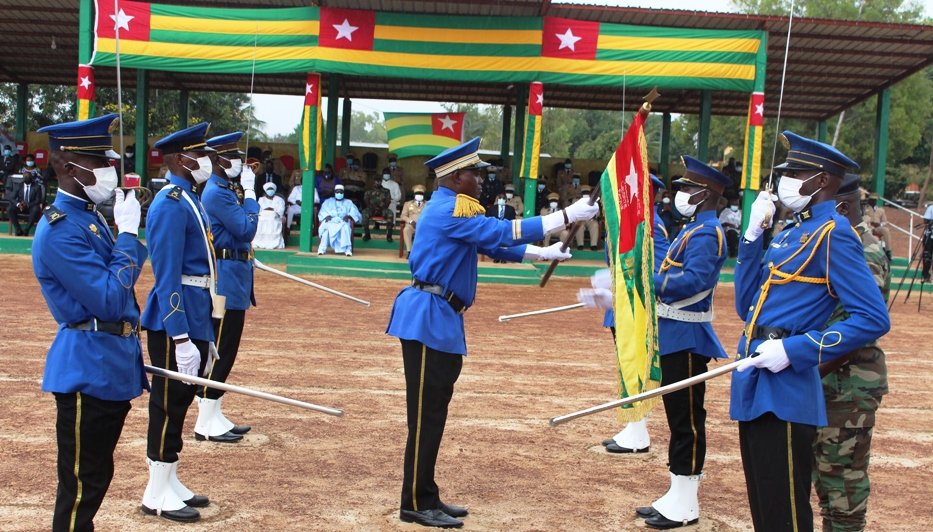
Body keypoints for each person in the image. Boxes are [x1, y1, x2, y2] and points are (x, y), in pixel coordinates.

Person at [386, 137, 598, 528]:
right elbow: (501, 231)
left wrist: (542, 253)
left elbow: (492, 243)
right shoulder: (447, 210)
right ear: (454, 178)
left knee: (433, 412)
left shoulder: (452, 208)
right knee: (426, 415)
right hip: (428, 316)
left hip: (439, 316)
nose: (481, 180)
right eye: (474, 174)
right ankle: (414, 501)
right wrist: (565, 216)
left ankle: (425, 494)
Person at [732, 131, 890, 532]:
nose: (785, 180)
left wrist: (797, 350)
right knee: (766, 507)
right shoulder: (788, 232)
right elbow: (746, 305)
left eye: (796, 172)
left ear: (821, 181)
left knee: (785, 513)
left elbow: (873, 318)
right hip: (756, 376)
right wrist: (752, 237)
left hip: (787, 381)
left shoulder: (834, 232)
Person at [32, 114, 148, 532]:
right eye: (97, 161)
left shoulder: (90, 217)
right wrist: (129, 236)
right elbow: (112, 299)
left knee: (95, 479)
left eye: (108, 161)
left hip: (109, 364)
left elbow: (127, 271)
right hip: (87, 369)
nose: (108, 170)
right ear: (66, 167)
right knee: (81, 488)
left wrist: (126, 237)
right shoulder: (60, 231)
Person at [625, 158, 732, 530]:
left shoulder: (706, 232)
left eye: (687, 188)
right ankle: (676, 491)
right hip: (674, 333)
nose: (680, 194)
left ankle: (686, 501)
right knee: (678, 418)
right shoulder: (694, 229)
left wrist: (645, 279)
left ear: (705, 194)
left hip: (687, 336)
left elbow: (693, 283)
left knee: (687, 420)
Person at [140, 122, 222, 522]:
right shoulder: (170, 202)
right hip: (178, 315)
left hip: (197, 307)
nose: (205, 160)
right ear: (177, 159)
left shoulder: (190, 198)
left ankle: (169, 478)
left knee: (182, 400)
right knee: (168, 404)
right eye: (198, 153)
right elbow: (167, 274)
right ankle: (155, 491)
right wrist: (181, 336)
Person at [810, 173, 890, 532]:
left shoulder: (864, 251)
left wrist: (805, 370)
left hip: (848, 389)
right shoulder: (838, 243)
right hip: (829, 385)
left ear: (840, 206)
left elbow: (854, 330)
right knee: (826, 487)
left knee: (843, 493)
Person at [592, 175, 669, 455]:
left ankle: (639, 432)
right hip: (622, 308)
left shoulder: (651, 227)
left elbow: (656, 271)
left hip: (638, 308)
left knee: (638, 368)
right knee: (627, 367)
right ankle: (633, 427)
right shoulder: (626, 224)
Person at [197, 132, 260, 442]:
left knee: (228, 347)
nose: (238, 161)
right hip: (223, 281)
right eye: (232, 156)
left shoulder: (224, 189)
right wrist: (251, 193)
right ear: (217, 161)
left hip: (234, 274)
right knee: (220, 348)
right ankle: (205, 421)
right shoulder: (217, 193)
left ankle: (214, 412)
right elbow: (246, 228)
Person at [318, 184, 361, 256]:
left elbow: (355, 211)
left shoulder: (348, 202)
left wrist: (348, 215)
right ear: (334, 192)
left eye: (341, 192)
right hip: (331, 221)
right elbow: (322, 211)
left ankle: (348, 249)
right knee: (326, 229)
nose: (339, 193)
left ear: (343, 193)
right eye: (337, 192)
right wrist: (327, 216)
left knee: (346, 228)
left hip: (343, 221)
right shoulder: (328, 202)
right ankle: (322, 249)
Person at [7, 170, 44, 235]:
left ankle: (27, 229)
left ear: (32, 178)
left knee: (36, 209)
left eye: (29, 177)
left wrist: (27, 205)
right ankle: (18, 229)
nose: (27, 179)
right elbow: (12, 198)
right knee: (9, 209)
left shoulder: (37, 187)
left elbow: (38, 200)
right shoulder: (18, 186)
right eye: (26, 177)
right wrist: (18, 205)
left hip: (30, 206)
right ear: (22, 179)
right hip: (20, 207)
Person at [362, 174, 395, 243]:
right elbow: (366, 202)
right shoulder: (368, 191)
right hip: (372, 209)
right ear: (373, 181)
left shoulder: (386, 191)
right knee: (365, 212)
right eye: (376, 180)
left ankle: (389, 235)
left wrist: (380, 209)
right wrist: (373, 208)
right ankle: (367, 233)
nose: (377, 181)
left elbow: (387, 202)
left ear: (381, 181)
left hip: (383, 209)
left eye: (379, 180)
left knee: (390, 213)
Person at [254, 182, 285, 249]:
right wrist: (267, 209)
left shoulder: (279, 199)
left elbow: (281, 210)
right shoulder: (261, 199)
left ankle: (273, 242)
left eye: (271, 189)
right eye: (268, 189)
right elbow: (259, 210)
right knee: (260, 221)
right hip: (263, 216)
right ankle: (260, 242)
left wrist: (272, 209)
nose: (270, 191)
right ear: (265, 190)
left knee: (271, 220)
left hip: (275, 217)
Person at [400, 185, 427, 258]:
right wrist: (411, 221)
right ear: (414, 195)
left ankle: (423, 253)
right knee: (406, 230)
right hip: (411, 225)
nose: (419, 196)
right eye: (417, 194)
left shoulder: (428, 204)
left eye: (421, 194)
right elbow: (403, 216)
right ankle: (410, 251)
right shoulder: (408, 204)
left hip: (423, 225)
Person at [863, 193, 891, 259]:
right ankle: (869, 251)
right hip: (869, 226)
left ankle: (888, 251)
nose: (872, 202)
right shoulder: (864, 208)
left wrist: (880, 224)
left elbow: (885, 221)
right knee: (868, 231)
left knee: (886, 230)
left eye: (874, 200)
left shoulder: (880, 210)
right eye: (871, 200)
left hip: (877, 227)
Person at [573, 185, 600, 251]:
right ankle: (580, 245)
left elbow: (597, 211)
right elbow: (574, 210)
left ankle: (594, 245)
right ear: (581, 193)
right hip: (580, 219)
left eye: (587, 193)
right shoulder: (576, 200)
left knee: (595, 225)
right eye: (584, 193)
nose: (586, 194)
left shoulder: (594, 200)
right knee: (579, 225)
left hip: (590, 219)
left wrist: (594, 216)